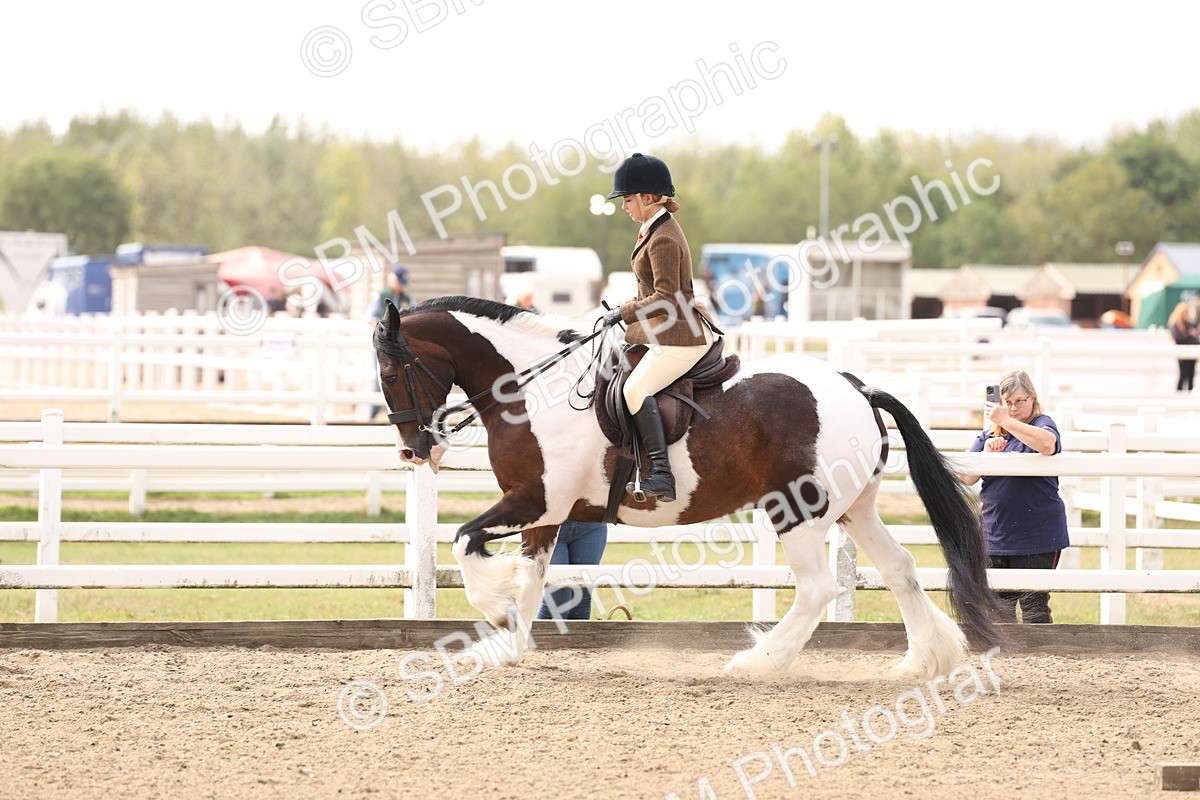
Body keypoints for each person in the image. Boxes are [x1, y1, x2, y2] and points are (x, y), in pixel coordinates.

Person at [600, 153, 723, 502]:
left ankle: (661, 475)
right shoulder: (653, 230)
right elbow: (650, 292)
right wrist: (622, 311)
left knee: (636, 389)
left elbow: (666, 297)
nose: (624, 206)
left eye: (627, 199)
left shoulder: (663, 237)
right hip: (665, 328)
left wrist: (623, 313)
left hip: (681, 333)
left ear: (647, 198)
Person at [958, 370, 1069, 623]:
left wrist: (1005, 421)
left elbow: (1047, 444)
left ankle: (1039, 648)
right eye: (1007, 402)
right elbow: (965, 476)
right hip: (995, 532)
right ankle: (1005, 649)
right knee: (998, 607)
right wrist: (986, 456)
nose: (1013, 407)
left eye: (1020, 401)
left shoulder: (1041, 424)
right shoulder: (989, 435)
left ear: (1032, 399)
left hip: (1038, 534)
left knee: (1034, 605)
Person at [537, 521, 609, 621]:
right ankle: (539, 632)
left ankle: (577, 632)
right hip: (549, 524)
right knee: (558, 597)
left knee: (581, 599)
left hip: (591, 525)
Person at [367, 266, 413, 419]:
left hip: (399, 345)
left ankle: (398, 412)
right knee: (380, 376)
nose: (401, 286)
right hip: (383, 344)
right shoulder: (381, 296)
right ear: (392, 279)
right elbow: (370, 317)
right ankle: (373, 413)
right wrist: (382, 331)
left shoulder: (407, 298)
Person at [1168, 300, 1199, 392]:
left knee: (1191, 376)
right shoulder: (1175, 325)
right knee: (1183, 375)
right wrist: (1190, 334)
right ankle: (1179, 396)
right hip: (1182, 354)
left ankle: (1189, 396)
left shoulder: (1188, 323)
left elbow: (1194, 336)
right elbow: (1179, 338)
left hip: (1191, 352)